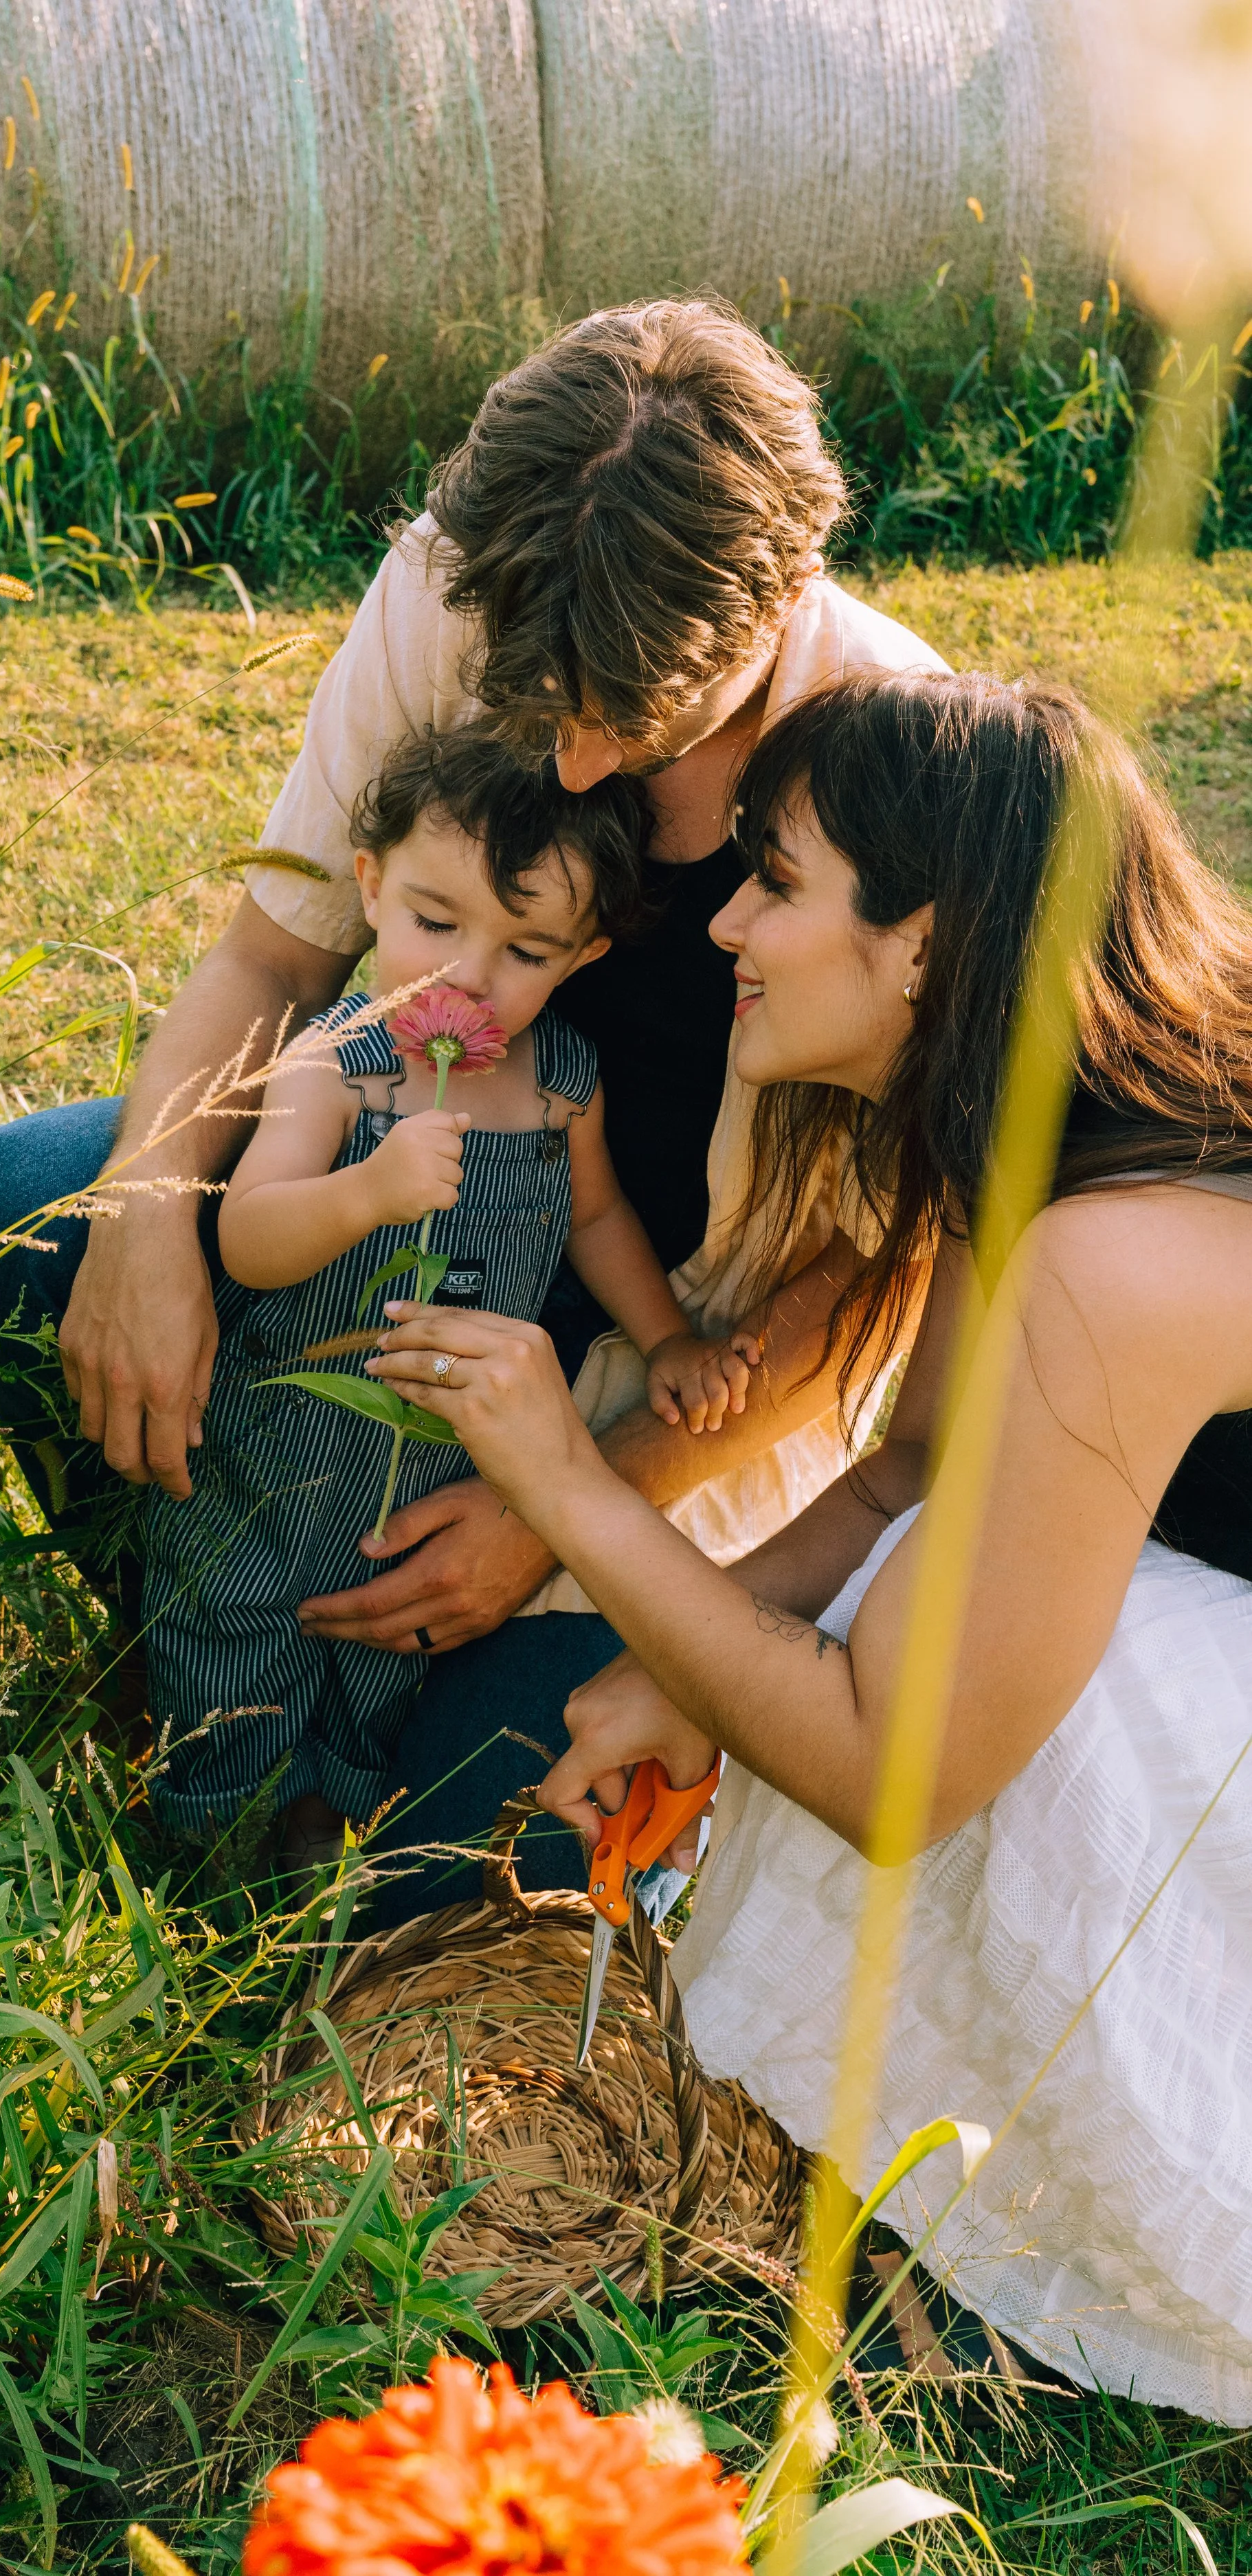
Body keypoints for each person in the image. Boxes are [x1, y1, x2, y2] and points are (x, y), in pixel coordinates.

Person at [0, 298, 941, 1883]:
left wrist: (567, 1502)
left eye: (637, 717)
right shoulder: (455, 585)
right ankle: (203, 1639)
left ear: (782, 593)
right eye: (546, 707)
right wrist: (142, 1223)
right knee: (14, 1211)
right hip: (364, 1229)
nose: (584, 767)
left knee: (442, 1873)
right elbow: (270, 959)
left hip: (653, 1356)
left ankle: (357, 1697)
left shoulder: (908, 749)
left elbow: (885, 1258)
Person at [365, 668, 1252, 2419]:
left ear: (923, 942)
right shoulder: (1032, 1124)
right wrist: (673, 1665)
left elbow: (890, 1770)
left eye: (773, 883)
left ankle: (1092, 2219)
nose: (726, 928)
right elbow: (901, 1464)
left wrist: (568, 1489)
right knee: (923, 1582)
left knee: (1058, 1664)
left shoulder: (1125, 1253)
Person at [143, 725, 735, 1855]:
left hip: (431, 1478)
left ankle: (318, 1858)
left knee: (376, 1693)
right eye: (434, 921)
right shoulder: (338, 1064)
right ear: (370, 886)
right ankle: (204, 1867)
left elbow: (596, 1219)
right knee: (229, 1656)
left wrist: (666, 1339)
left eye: (527, 948)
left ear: (584, 956)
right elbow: (251, 1234)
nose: (468, 974)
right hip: (280, 1459)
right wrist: (365, 1191)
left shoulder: (560, 1085)